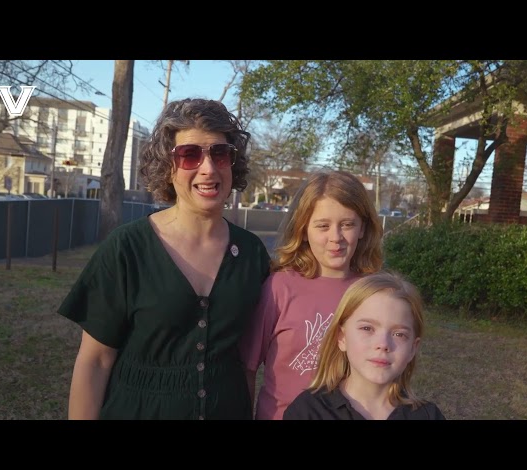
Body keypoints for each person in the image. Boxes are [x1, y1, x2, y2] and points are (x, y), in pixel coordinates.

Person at [58, 98, 271, 420]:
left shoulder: (251, 253)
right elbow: (96, 361)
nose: (208, 168)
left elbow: (248, 361)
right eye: (189, 155)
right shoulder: (127, 247)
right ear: (168, 167)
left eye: (220, 153)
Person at [239, 170, 384, 420]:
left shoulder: (372, 293)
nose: (335, 238)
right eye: (323, 226)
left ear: (363, 228)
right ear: (304, 229)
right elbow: (247, 368)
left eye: (347, 224)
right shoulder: (279, 288)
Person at [283, 271, 446, 420]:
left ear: (413, 348)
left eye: (399, 334)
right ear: (342, 338)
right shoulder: (307, 411)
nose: (383, 344)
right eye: (367, 328)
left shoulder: (428, 416)